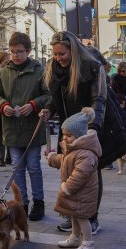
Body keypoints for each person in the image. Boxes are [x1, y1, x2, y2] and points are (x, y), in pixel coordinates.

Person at [40, 31, 106, 234]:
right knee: (68, 171)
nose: (58, 58)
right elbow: (56, 96)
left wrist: (93, 128)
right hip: (67, 129)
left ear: (73, 50)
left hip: (87, 127)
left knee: (89, 174)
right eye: (55, 54)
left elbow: (99, 99)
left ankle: (90, 218)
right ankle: (72, 215)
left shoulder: (92, 66)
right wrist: (49, 108)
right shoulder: (53, 67)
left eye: (62, 54)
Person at [0, 32, 49, 221]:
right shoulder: (3, 72)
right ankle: (22, 203)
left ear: (28, 51)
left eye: (20, 52)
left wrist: (33, 105)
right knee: (17, 168)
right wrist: (3, 105)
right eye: (13, 51)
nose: (16, 55)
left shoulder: (39, 71)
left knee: (33, 167)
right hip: (12, 127)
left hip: (32, 127)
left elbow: (49, 95)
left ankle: (38, 202)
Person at [47, 108, 101, 249]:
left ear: (79, 135)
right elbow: (64, 160)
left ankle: (88, 243)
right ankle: (74, 237)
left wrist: (67, 187)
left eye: (68, 135)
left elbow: (80, 175)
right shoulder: (74, 148)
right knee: (74, 214)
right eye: (63, 134)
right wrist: (52, 158)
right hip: (76, 192)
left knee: (82, 218)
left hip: (83, 192)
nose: (64, 138)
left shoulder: (85, 153)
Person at [0, 51, 12, 167]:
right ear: (0, 60)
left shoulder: (10, 71)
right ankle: (0, 158)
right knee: (1, 133)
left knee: (10, 131)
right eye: (6, 60)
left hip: (10, 105)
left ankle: (9, 157)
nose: (8, 62)